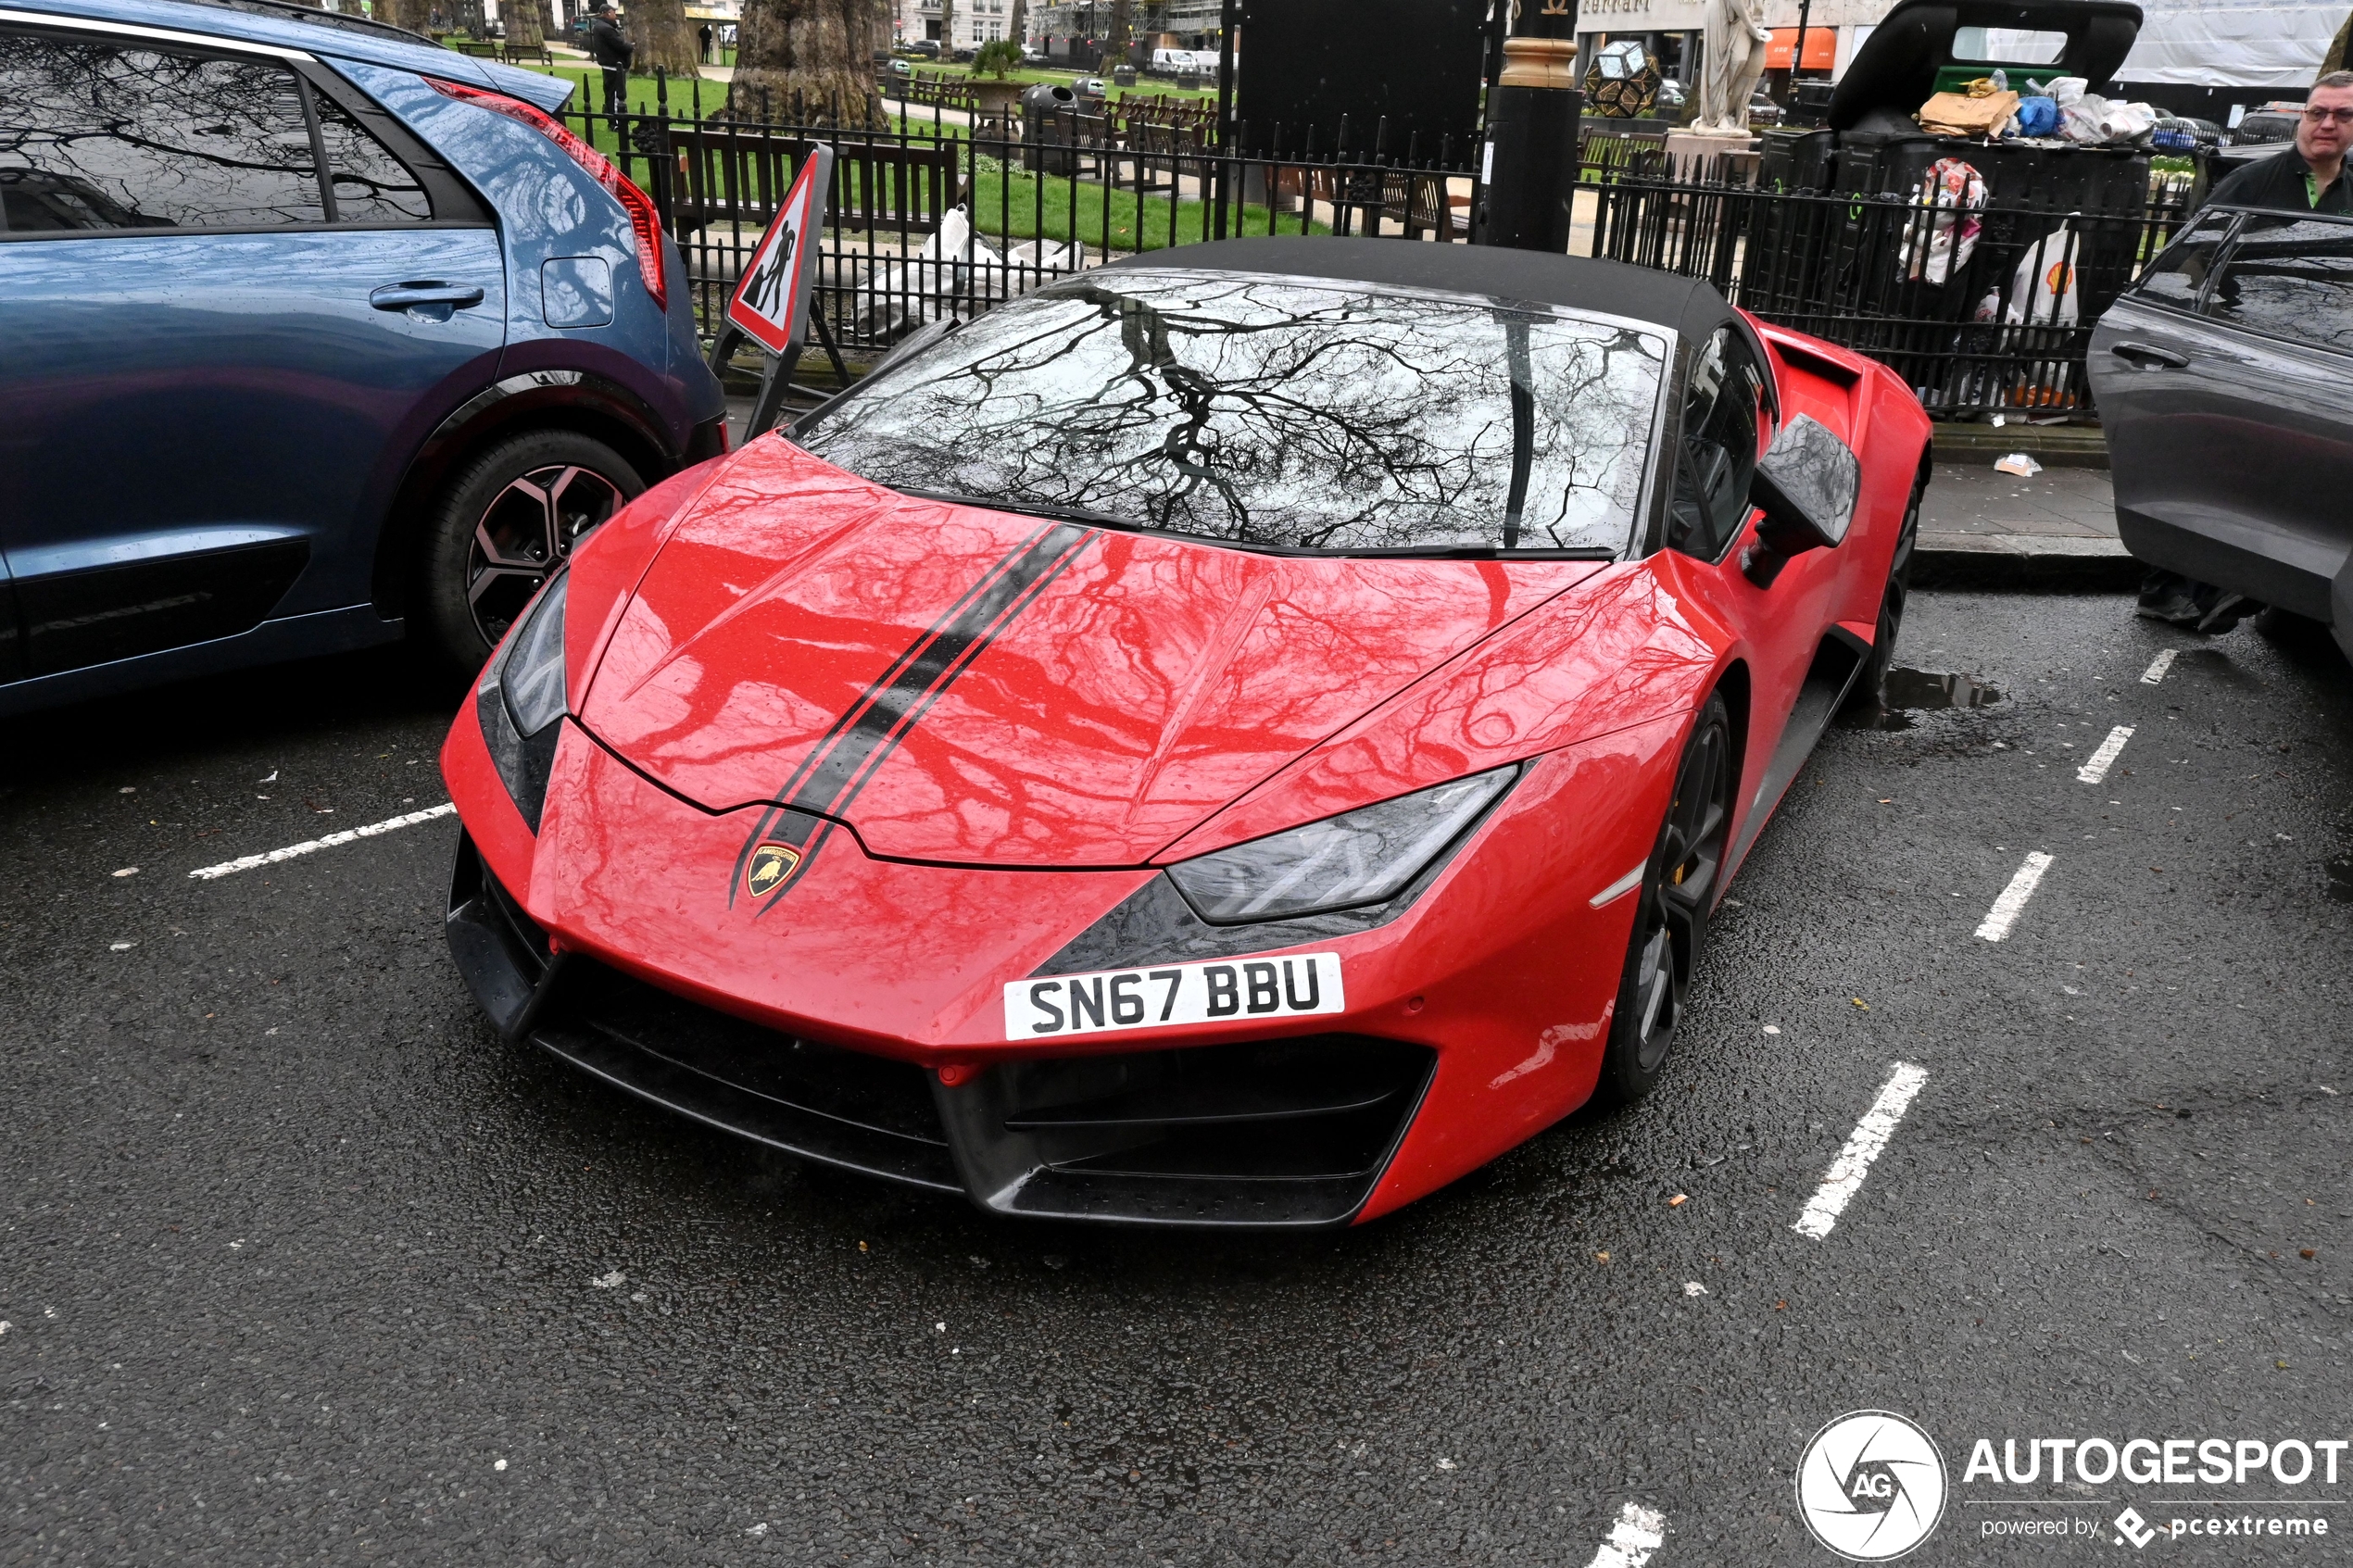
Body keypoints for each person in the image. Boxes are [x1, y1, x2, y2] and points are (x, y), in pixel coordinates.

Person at [2139, 70, 2353, 632]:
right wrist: (2233, 309)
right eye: (2317, 113)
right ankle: (2166, 591)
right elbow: (2191, 257)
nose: (2326, 124)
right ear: (2301, 117)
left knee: (2282, 474)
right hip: (2233, 339)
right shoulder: (2254, 181)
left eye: (2343, 115)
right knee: (2212, 470)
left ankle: (2253, 589)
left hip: (2312, 350)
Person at [585, 2, 633, 132]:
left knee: (611, 93)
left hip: (609, 64)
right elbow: (619, 45)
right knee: (616, 94)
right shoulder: (606, 29)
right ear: (608, 13)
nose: (615, 15)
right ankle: (616, 121)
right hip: (613, 65)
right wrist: (630, 46)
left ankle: (614, 118)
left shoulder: (600, 27)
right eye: (613, 12)